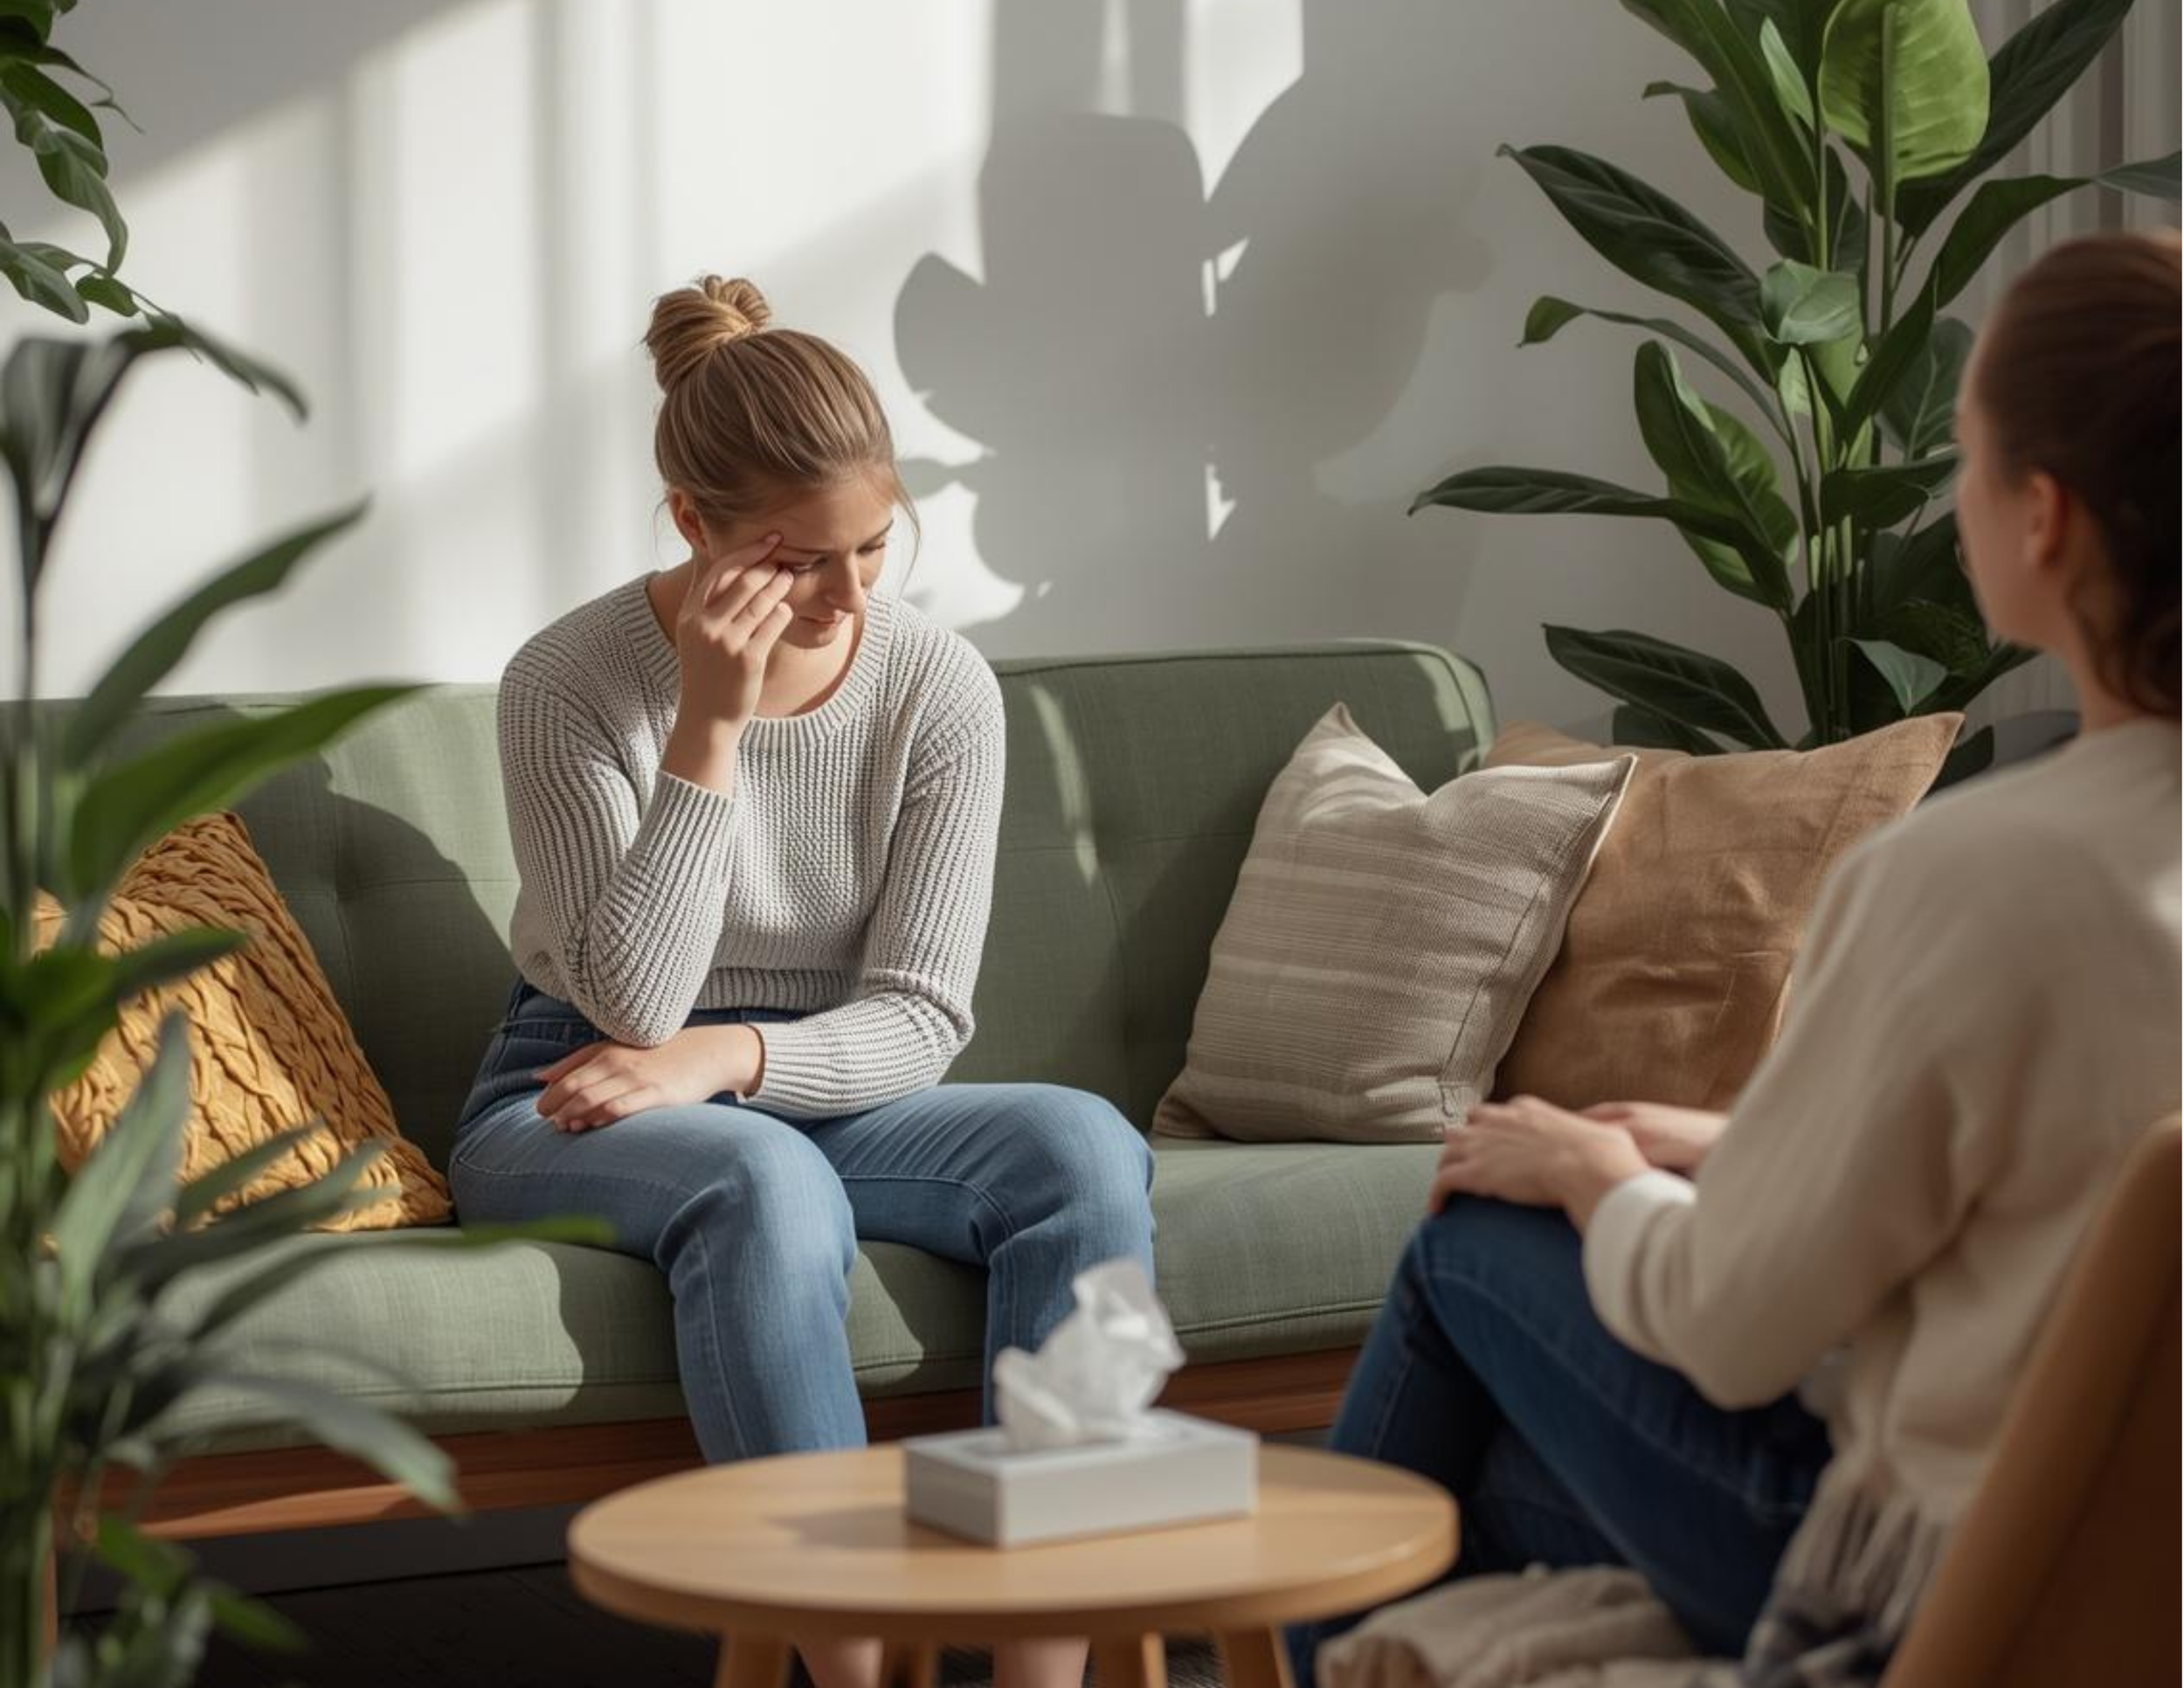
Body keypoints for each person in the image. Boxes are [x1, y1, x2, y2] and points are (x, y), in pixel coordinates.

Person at [1292, 227, 2182, 1687]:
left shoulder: (1966, 879)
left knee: (1470, 1251)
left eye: (1965, 467)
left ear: (2046, 518)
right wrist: (1733, 1140)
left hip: (1961, 1600)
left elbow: (1737, 1329)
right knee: (1501, 1465)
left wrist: (1598, 1175)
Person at [449, 276, 1157, 1688]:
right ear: (696, 529)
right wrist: (708, 725)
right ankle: (855, 1671)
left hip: (807, 1078)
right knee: (768, 1186)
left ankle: (1041, 1669)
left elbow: (923, 1013)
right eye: (800, 561)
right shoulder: (571, 681)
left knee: (1082, 1143)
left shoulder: (939, 686)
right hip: (576, 1088)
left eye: (873, 549)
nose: (846, 598)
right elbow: (633, 1011)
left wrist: (730, 1061)